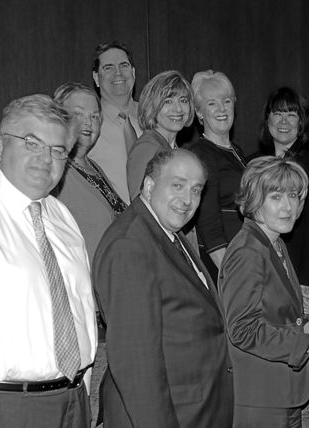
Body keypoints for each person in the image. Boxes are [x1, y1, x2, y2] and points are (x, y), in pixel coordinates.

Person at [0, 94, 97, 428]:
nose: (45, 159)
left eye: (58, 150)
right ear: (0, 147)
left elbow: (80, 309)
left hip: (73, 401)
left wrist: (83, 392)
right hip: (1, 407)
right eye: (32, 143)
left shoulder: (62, 217)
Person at [93, 149, 233, 428]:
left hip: (193, 409)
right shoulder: (130, 245)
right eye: (177, 185)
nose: (187, 200)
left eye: (196, 190)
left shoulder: (168, 232)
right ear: (148, 185)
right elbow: (136, 362)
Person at [219, 157, 309, 428]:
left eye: (294, 195)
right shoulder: (248, 251)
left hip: (280, 392)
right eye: (276, 196)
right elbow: (243, 329)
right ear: (254, 199)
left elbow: (277, 316)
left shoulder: (274, 242)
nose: (289, 206)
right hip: (259, 397)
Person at [255, 86, 309, 313]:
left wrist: (308, 284)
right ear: (267, 119)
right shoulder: (256, 164)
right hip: (260, 272)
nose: (283, 121)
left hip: (299, 275)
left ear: (302, 123)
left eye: (291, 114)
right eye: (277, 113)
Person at [53, 82, 127, 258]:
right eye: (78, 114)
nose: (87, 123)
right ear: (58, 117)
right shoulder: (55, 171)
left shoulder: (93, 167)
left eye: (94, 116)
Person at [186, 70, 246, 276]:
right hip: (224, 264)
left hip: (243, 255)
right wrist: (231, 275)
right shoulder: (202, 154)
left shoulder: (237, 151)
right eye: (212, 103)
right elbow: (208, 222)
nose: (222, 109)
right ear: (200, 113)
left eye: (226, 101)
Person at [127, 70, 194, 200]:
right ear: (152, 106)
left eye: (183, 100)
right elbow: (140, 206)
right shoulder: (147, 148)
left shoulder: (173, 149)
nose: (178, 109)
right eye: (168, 101)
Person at [89, 40, 142, 202]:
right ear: (97, 78)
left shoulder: (154, 116)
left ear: (133, 72)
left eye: (124, 65)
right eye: (108, 67)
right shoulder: (87, 124)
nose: (118, 73)